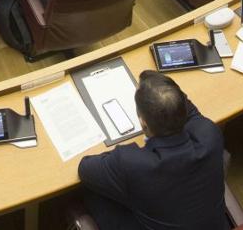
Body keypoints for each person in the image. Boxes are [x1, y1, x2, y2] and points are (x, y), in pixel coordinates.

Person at [77, 70, 226, 230]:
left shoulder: (131, 162)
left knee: (87, 192)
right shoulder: (209, 134)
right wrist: (159, 89)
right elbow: (187, 108)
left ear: (143, 123)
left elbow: (84, 168)